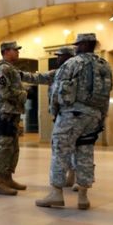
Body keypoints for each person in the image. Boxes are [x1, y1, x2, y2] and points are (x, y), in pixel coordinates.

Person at [35, 33, 112, 210]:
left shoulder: (72, 63)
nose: (76, 48)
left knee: (60, 152)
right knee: (85, 153)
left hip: (71, 114)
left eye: (78, 45)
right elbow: (107, 94)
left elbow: (58, 91)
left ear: (85, 44)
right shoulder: (104, 65)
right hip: (93, 116)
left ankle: (56, 194)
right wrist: (101, 116)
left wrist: (55, 113)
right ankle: (83, 197)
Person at [20, 45, 77, 187]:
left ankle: (77, 178)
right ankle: (69, 174)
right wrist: (20, 75)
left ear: (69, 57)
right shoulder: (56, 73)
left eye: (60, 56)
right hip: (60, 116)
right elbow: (38, 77)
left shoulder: (78, 73)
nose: (57, 58)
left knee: (78, 147)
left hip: (76, 116)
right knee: (62, 147)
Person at [0, 41, 28, 196]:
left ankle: (7, 178)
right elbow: (5, 92)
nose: (18, 52)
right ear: (6, 51)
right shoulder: (3, 68)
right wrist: (24, 94)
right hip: (5, 113)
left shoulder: (10, 68)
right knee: (4, 147)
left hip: (12, 113)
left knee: (12, 147)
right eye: (15, 50)